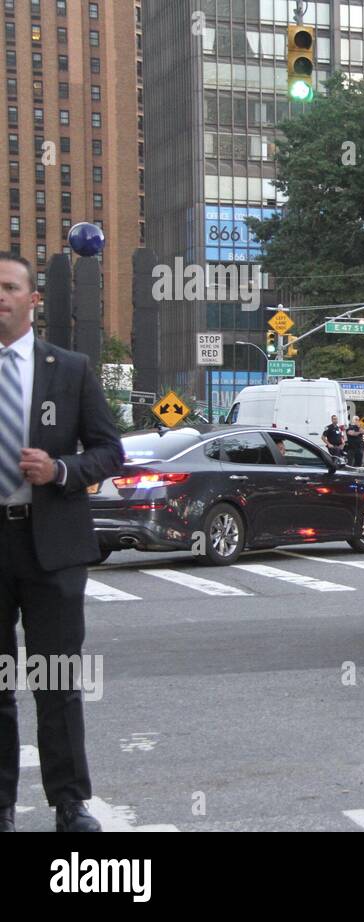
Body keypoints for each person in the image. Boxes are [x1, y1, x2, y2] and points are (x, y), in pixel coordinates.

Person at [0, 254, 124, 832]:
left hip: (50, 545)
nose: (0, 296)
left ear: (34, 299)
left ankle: (70, 803)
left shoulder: (69, 369)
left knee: (54, 680)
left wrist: (62, 470)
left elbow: (109, 451)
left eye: (9, 287)